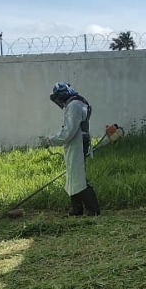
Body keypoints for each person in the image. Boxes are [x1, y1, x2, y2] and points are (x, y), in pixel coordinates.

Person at [41, 82, 100, 216]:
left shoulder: (74, 106)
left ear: (61, 96)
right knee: (73, 176)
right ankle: (76, 209)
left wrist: (50, 140)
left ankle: (93, 209)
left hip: (77, 143)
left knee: (78, 178)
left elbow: (68, 132)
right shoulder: (77, 103)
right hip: (77, 142)